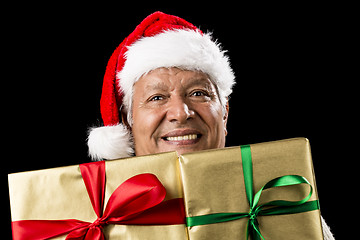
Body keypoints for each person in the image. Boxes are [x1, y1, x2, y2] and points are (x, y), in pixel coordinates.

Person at [87, 11, 334, 239]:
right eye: (157, 98)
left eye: (198, 93)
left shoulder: (283, 205)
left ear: (224, 114)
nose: (180, 113)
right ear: (127, 123)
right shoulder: (93, 223)